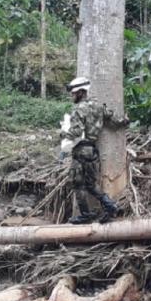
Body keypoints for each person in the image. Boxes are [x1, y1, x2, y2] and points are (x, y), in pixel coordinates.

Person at [61, 77, 127, 224]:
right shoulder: (99, 107)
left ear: (80, 92)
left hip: (81, 150)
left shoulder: (78, 110)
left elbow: (76, 132)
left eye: (73, 93)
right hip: (92, 150)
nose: (72, 96)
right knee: (91, 184)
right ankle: (110, 206)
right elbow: (115, 120)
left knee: (77, 183)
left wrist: (63, 134)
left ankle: (86, 215)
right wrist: (126, 120)